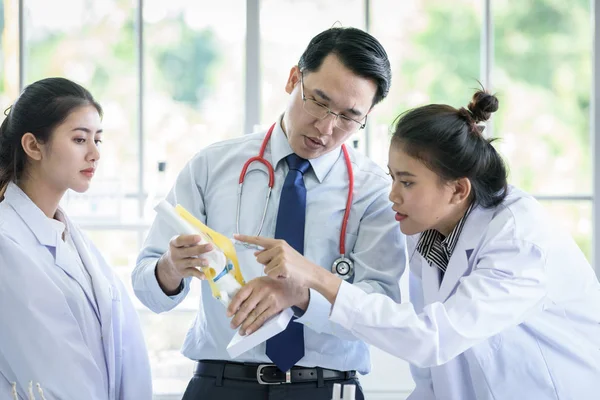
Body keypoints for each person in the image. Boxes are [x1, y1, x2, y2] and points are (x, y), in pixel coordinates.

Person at [237, 89, 600, 400]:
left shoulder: (520, 242)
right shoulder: (429, 231)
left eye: (407, 183)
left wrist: (315, 276)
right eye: (392, 177)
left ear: (458, 189)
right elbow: (433, 374)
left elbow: (431, 338)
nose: (391, 194)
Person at [132, 27, 405, 399]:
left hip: (326, 387)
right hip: (221, 385)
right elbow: (148, 290)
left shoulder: (376, 190)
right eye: (319, 103)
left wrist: (300, 295)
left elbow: (381, 312)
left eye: (348, 117)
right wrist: (170, 267)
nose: (326, 128)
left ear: (367, 116)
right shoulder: (213, 166)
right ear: (294, 78)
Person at [0, 77, 152, 399]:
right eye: (80, 140)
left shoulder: (71, 238)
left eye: (98, 139)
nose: (95, 154)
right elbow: (51, 373)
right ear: (32, 146)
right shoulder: (6, 242)